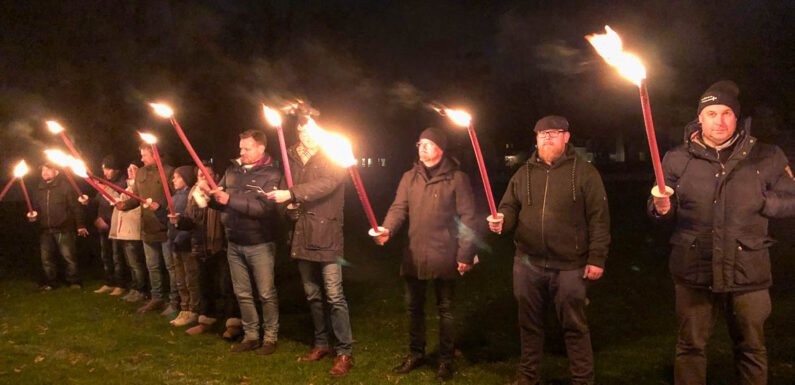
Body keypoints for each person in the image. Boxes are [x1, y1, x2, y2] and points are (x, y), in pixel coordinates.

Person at [648, 81, 795, 385]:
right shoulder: (677, 158)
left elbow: (791, 198)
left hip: (748, 269)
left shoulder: (765, 156)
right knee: (690, 346)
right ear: (699, 118)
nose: (719, 120)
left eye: (726, 113)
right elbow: (663, 203)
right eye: (711, 113)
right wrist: (660, 207)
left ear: (736, 118)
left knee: (751, 347)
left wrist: (765, 201)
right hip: (694, 269)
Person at [490, 116, 610, 385]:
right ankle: (528, 375)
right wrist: (502, 221)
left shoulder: (584, 173)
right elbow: (509, 208)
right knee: (529, 324)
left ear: (566, 137)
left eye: (554, 133)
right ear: (536, 139)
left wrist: (596, 258)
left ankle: (582, 379)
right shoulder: (523, 173)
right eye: (542, 133)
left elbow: (599, 219)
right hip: (527, 262)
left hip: (570, 265)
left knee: (574, 326)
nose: (547, 138)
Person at [372, 127, 478, 381]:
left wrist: (465, 253)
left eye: (429, 144)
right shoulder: (410, 177)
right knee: (414, 309)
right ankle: (416, 353)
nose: (423, 148)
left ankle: (445, 360)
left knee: (446, 310)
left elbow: (468, 218)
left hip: (445, 254)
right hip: (415, 253)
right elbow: (399, 208)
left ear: (441, 149)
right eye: (420, 144)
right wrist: (387, 228)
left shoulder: (457, 178)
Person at [266, 119, 354, 376]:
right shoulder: (291, 156)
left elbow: (328, 183)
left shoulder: (334, 153)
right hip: (302, 233)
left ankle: (344, 352)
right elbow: (284, 190)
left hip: (326, 233)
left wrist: (292, 194)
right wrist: (286, 208)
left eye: (310, 129)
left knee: (334, 295)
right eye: (301, 130)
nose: (304, 134)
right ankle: (321, 343)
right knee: (313, 294)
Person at [203, 129, 281, 355]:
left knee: (266, 293)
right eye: (241, 147)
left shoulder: (272, 173)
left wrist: (229, 199)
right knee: (243, 293)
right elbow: (222, 201)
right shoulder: (232, 171)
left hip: (259, 242)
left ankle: (270, 337)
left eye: (247, 148)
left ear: (260, 148)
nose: (242, 152)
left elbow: (264, 208)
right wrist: (209, 197)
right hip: (234, 241)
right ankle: (251, 335)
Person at [116, 143, 178, 315]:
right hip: (147, 228)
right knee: (152, 266)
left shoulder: (169, 172)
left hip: (164, 228)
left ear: (155, 155)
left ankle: (175, 300)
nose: (142, 159)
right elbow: (136, 197)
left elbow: (177, 196)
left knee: (171, 267)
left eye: (145, 155)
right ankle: (156, 298)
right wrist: (125, 204)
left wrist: (162, 206)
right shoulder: (141, 173)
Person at [182, 162, 241, 338]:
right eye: (200, 175)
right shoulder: (193, 194)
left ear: (215, 176)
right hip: (201, 246)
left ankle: (233, 323)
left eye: (206, 175)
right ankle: (206, 320)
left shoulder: (221, 192)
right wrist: (179, 222)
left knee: (226, 287)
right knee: (204, 286)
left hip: (221, 246)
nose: (202, 179)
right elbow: (191, 219)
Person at [29, 163, 89, 289]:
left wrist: (80, 225)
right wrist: (33, 215)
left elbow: (75, 207)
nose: (44, 173)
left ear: (56, 172)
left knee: (68, 257)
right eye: (43, 170)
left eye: (48, 170)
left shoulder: (65, 187)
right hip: (45, 229)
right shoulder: (39, 189)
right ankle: (51, 282)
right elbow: (35, 208)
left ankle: (74, 281)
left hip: (64, 228)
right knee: (46, 259)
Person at [110, 163, 148, 303]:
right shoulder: (127, 187)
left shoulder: (137, 188)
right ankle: (135, 287)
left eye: (134, 169)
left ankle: (142, 290)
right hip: (124, 231)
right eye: (128, 169)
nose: (130, 171)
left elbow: (129, 201)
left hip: (133, 230)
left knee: (136, 263)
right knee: (131, 263)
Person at [92, 156, 129, 296]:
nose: (105, 172)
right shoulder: (105, 182)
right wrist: (87, 201)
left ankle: (121, 284)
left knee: (117, 256)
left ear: (116, 169)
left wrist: (106, 220)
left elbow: (117, 201)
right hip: (103, 225)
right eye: (103, 169)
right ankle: (109, 282)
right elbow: (99, 200)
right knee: (106, 255)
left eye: (107, 169)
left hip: (114, 225)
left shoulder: (121, 183)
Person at [168, 165, 199, 327]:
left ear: (186, 178)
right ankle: (184, 307)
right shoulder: (174, 196)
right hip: (174, 243)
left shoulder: (190, 196)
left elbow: (191, 221)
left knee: (190, 278)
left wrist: (182, 235)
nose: (173, 180)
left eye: (177, 177)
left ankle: (193, 309)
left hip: (186, 243)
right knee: (180, 279)